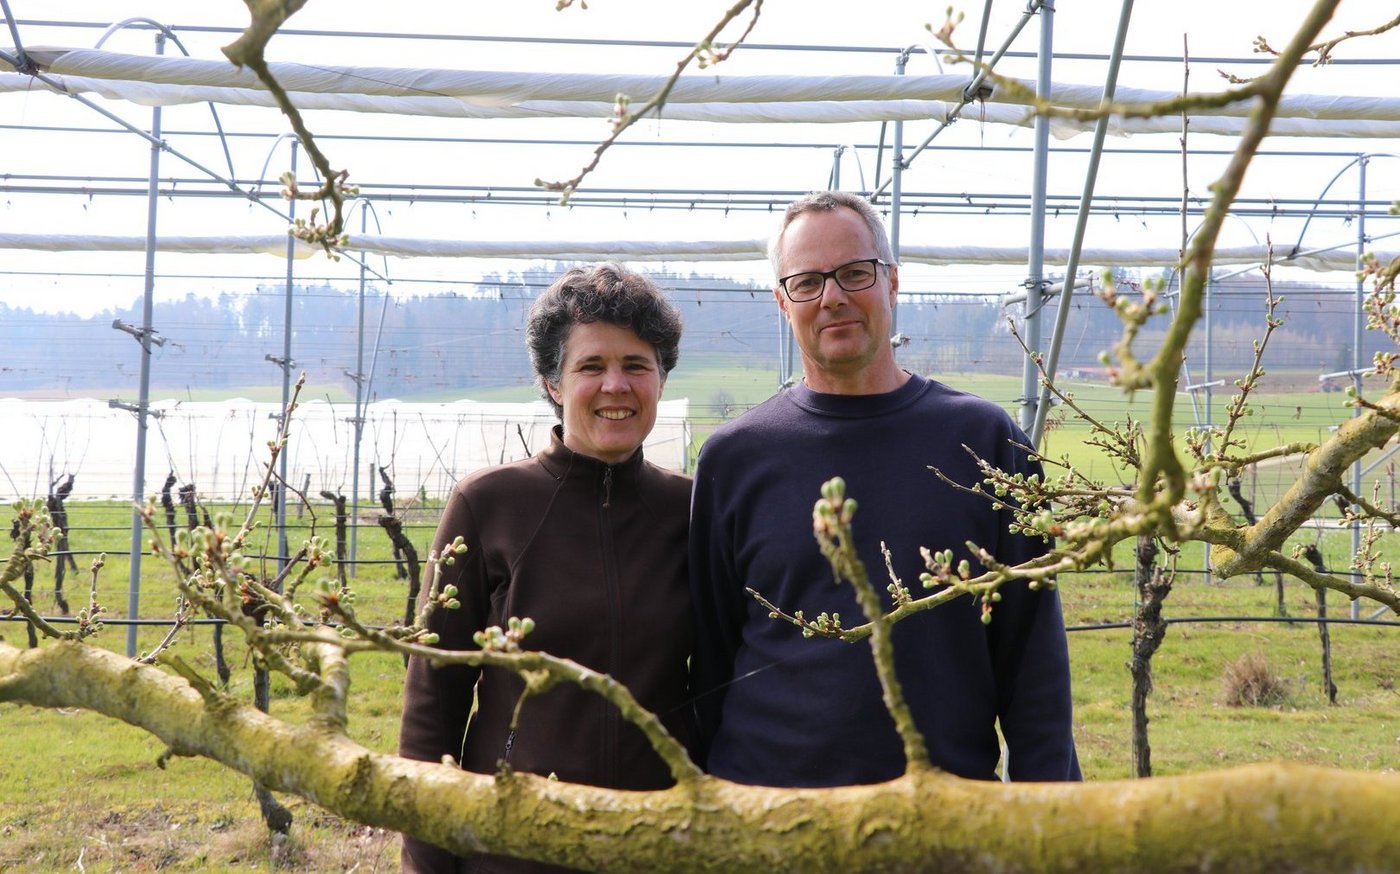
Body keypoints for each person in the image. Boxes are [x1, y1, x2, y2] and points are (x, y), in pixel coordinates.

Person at [689, 190, 1080, 788]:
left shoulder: (985, 442)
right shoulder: (735, 459)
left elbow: (1033, 659)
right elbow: (712, 660)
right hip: (771, 811)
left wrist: (1050, 811)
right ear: (782, 302)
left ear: (892, 282)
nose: (833, 297)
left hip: (941, 811)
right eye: (807, 282)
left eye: (854, 273)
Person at [399, 263, 694, 872]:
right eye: (591, 366)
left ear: (661, 379)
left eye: (636, 365)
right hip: (514, 846)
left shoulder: (692, 511)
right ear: (553, 383)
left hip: (658, 845)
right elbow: (433, 703)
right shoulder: (488, 505)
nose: (616, 385)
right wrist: (426, 860)